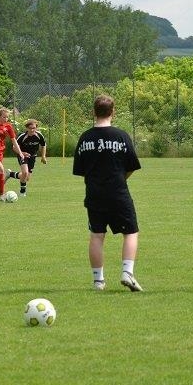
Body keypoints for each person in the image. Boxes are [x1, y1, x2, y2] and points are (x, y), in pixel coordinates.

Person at [72, 95, 143, 292]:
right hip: (118, 191)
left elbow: (81, 170)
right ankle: (127, 273)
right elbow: (131, 166)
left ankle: (98, 281)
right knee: (130, 232)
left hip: (94, 193)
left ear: (94, 112)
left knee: (96, 235)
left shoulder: (85, 137)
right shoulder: (121, 136)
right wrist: (120, 178)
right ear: (113, 112)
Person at [5, 119, 47, 196]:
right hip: (22, 155)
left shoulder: (39, 135)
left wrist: (43, 156)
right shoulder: (22, 136)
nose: (32, 130)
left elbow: (43, 145)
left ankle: (10, 174)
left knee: (26, 177)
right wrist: (22, 153)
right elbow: (14, 147)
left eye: (34, 128)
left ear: (36, 128)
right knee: (25, 172)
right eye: (30, 128)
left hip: (33, 157)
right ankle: (22, 192)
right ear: (27, 128)